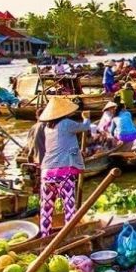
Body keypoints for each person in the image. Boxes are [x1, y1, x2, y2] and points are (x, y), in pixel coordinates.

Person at [39, 97, 91, 236]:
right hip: (63, 173)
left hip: (46, 173)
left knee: (46, 207)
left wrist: (76, 153)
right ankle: (70, 234)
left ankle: (45, 235)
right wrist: (86, 118)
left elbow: (62, 146)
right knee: (69, 207)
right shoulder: (66, 123)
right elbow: (85, 127)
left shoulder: (47, 128)